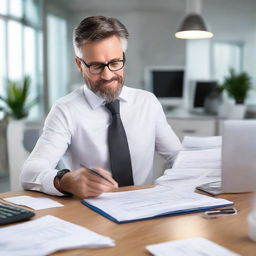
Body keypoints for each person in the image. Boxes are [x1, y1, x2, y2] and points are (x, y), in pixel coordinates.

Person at [21, 16, 182, 198]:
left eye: (115, 63)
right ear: (80, 65)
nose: (107, 75)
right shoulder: (65, 110)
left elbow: (178, 157)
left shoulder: (147, 103)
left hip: (146, 210)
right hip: (93, 214)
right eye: (96, 66)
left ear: (123, 58)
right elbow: (30, 172)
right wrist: (66, 180)